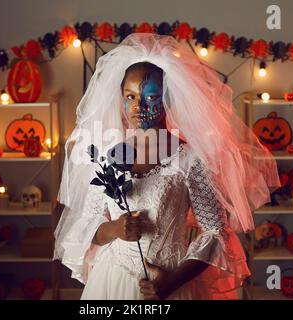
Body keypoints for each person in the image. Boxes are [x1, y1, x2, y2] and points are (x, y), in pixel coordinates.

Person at [53, 33, 281, 299]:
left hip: (169, 282)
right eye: (130, 96)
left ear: (168, 98)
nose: (138, 107)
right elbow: (89, 228)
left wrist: (171, 282)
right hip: (113, 281)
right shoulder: (106, 155)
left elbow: (215, 232)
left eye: (150, 98)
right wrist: (114, 229)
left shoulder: (191, 157)